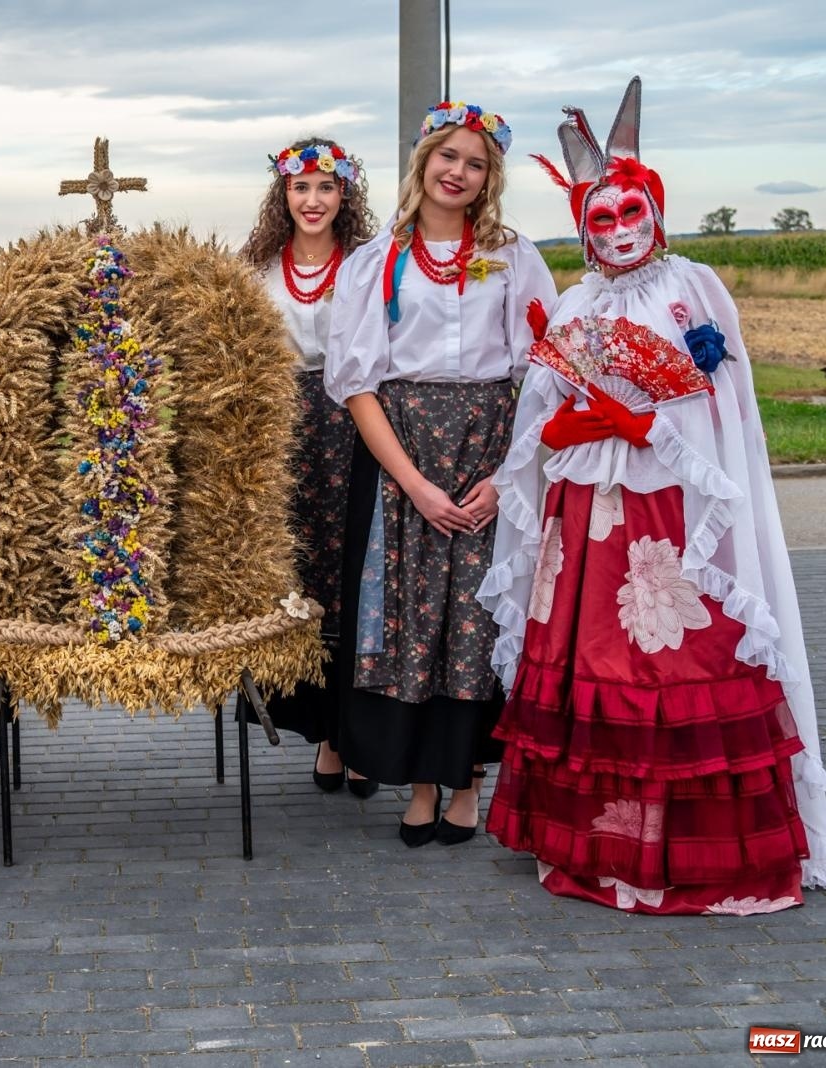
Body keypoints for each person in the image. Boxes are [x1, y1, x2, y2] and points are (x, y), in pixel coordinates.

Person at [477, 78, 826, 912]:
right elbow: (540, 421)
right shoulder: (576, 302)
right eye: (599, 219)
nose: (616, 230)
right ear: (583, 228)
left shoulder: (695, 287)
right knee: (595, 660)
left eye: (628, 212)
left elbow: (721, 405)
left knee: (677, 658)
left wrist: (646, 427)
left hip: (670, 511)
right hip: (587, 518)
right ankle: (598, 840)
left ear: (655, 210)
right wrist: (574, 426)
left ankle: (686, 850)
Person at [326, 103, 557, 846]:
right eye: (447, 157)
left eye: (476, 163)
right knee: (414, 621)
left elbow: (544, 376)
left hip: (491, 446)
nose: (458, 172)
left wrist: (509, 477)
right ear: (423, 162)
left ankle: (468, 783)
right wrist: (414, 484)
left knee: (478, 618)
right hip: (405, 453)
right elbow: (357, 384)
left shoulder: (515, 257)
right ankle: (421, 782)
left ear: (490, 178)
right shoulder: (376, 260)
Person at [238, 138, 377, 795]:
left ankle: (356, 733)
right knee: (302, 577)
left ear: (344, 195)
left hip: (357, 425)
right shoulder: (257, 266)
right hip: (285, 431)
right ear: (282, 196)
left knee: (357, 573)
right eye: (301, 188)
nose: (313, 200)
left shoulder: (369, 264)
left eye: (326, 188)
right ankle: (322, 731)